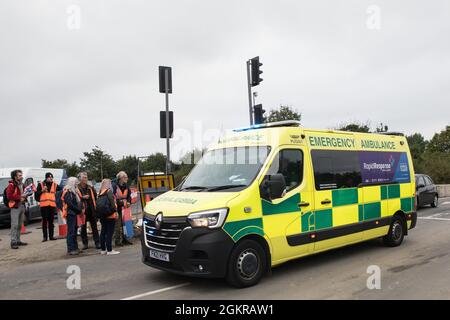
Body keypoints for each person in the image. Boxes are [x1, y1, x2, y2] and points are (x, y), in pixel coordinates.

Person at [6, 170, 31, 249]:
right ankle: (13, 242)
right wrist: (20, 197)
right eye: (19, 175)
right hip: (15, 207)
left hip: (22, 206)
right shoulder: (11, 185)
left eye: (21, 175)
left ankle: (18, 240)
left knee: (20, 224)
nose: (21, 176)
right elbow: (9, 196)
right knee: (15, 225)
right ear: (15, 176)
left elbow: (24, 193)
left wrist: (28, 193)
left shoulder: (22, 184)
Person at [35, 172, 62, 242]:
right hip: (44, 206)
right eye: (49, 177)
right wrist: (42, 190)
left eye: (51, 177)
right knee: (44, 222)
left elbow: (61, 190)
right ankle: (45, 237)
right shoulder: (41, 184)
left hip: (52, 206)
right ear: (46, 178)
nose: (51, 178)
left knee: (51, 222)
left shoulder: (54, 184)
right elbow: (36, 195)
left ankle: (51, 236)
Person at [77, 172, 100, 250]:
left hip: (91, 210)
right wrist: (83, 197)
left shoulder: (90, 187)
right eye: (84, 177)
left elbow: (95, 198)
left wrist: (96, 209)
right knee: (83, 229)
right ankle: (85, 244)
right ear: (80, 179)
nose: (86, 179)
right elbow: (76, 199)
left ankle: (97, 243)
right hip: (83, 211)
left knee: (94, 227)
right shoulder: (77, 188)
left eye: (86, 177)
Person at [62, 177, 84, 255]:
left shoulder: (72, 192)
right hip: (71, 214)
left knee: (74, 231)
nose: (77, 185)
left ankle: (75, 247)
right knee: (71, 232)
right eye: (75, 183)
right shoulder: (68, 192)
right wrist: (78, 210)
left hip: (73, 213)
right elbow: (70, 204)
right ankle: (70, 249)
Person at [98, 179, 120, 255]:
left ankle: (103, 250)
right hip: (110, 215)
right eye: (110, 183)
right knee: (109, 233)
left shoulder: (100, 192)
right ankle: (109, 250)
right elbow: (113, 203)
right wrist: (115, 211)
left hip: (102, 215)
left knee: (103, 232)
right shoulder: (109, 191)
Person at [112, 171, 132, 247]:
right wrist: (121, 202)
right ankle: (117, 241)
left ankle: (125, 239)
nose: (127, 178)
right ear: (121, 178)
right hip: (117, 208)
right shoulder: (114, 186)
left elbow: (129, 195)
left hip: (126, 207)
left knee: (126, 224)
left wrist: (129, 202)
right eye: (125, 177)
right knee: (118, 224)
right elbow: (112, 198)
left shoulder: (126, 185)